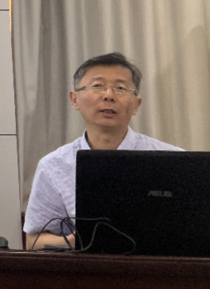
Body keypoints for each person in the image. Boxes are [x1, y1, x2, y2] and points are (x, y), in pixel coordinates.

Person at [23, 52, 182, 250]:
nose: (108, 95)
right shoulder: (54, 166)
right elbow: (33, 242)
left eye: (120, 88)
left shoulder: (173, 161)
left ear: (136, 105)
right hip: (86, 268)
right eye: (97, 86)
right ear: (74, 100)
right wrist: (81, 240)